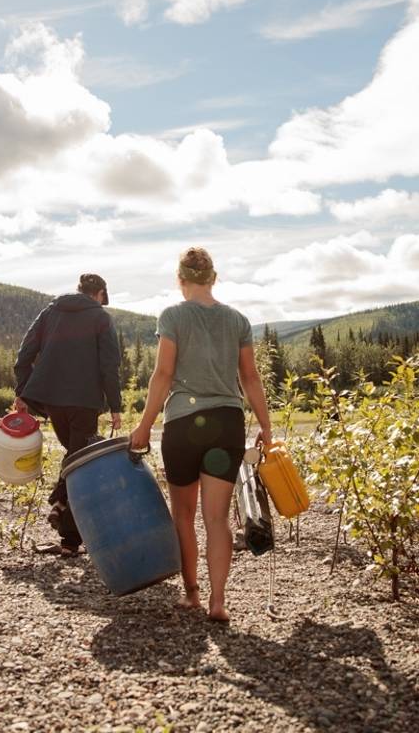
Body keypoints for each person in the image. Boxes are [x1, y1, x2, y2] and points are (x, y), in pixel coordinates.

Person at [129, 247, 271, 624]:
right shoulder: (237, 320)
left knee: (184, 515)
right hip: (226, 422)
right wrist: (267, 426)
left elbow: (162, 375)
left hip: (183, 424)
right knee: (217, 518)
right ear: (213, 278)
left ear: (181, 280)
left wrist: (144, 425)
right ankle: (218, 602)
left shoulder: (173, 315)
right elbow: (250, 378)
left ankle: (192, 594)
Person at [13, 273, 123, 557]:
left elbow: (24, 353)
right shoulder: (100, 318)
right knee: (79, 463)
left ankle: (68, 539)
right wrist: (115, 405)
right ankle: (61, 506)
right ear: (99, 293)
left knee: (75, 457)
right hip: (84, 402)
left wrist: (22, 391)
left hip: (51, 401)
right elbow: (110, 365)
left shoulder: (50, 312)